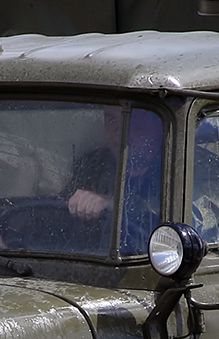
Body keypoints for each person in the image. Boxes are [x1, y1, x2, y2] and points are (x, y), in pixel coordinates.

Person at [64, 106, 163, 254]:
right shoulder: (93, 165)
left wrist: (114, 205)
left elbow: (182, 230)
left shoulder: (185, 165)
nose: (119, 129)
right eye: (110, 119)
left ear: (157, 124)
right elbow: (60, 211)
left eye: (132, 118)